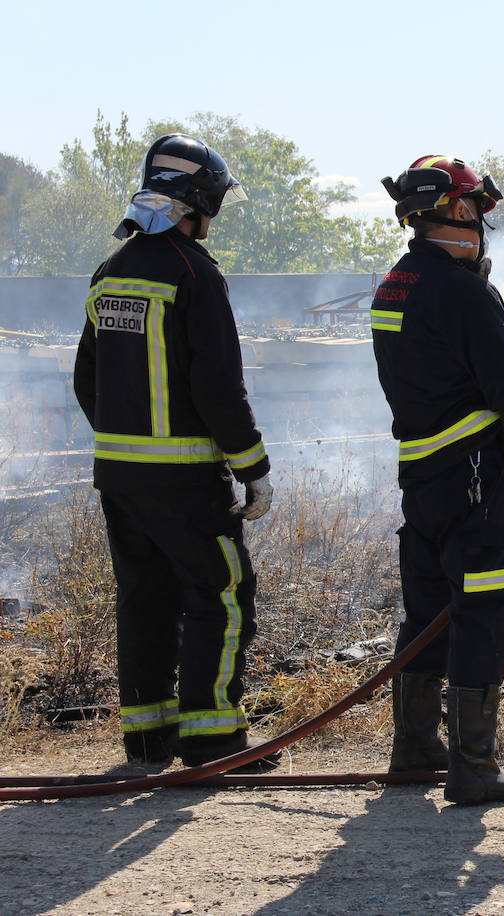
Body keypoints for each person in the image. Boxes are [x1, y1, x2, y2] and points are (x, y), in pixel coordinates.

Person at [73, 133, 277, 772]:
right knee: (221, 592)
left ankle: (147, 737)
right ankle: (213, 740)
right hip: (185, 479)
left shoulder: (111, 271)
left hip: (120, 476)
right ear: (196, 203)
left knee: (144, 596)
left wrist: (123, 440)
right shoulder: (194, 273)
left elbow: (86, 378)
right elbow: (218, 385)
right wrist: (254, 468)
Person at [371, 155, 504, 805]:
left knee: (427, 612)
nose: (482, 221)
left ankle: (415, 748)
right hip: (477, 480)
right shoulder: (464, 289)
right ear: (456, 211)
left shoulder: (394, 284)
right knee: (483, 612)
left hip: (421, 478)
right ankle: (474, 767)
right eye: (477, 208)